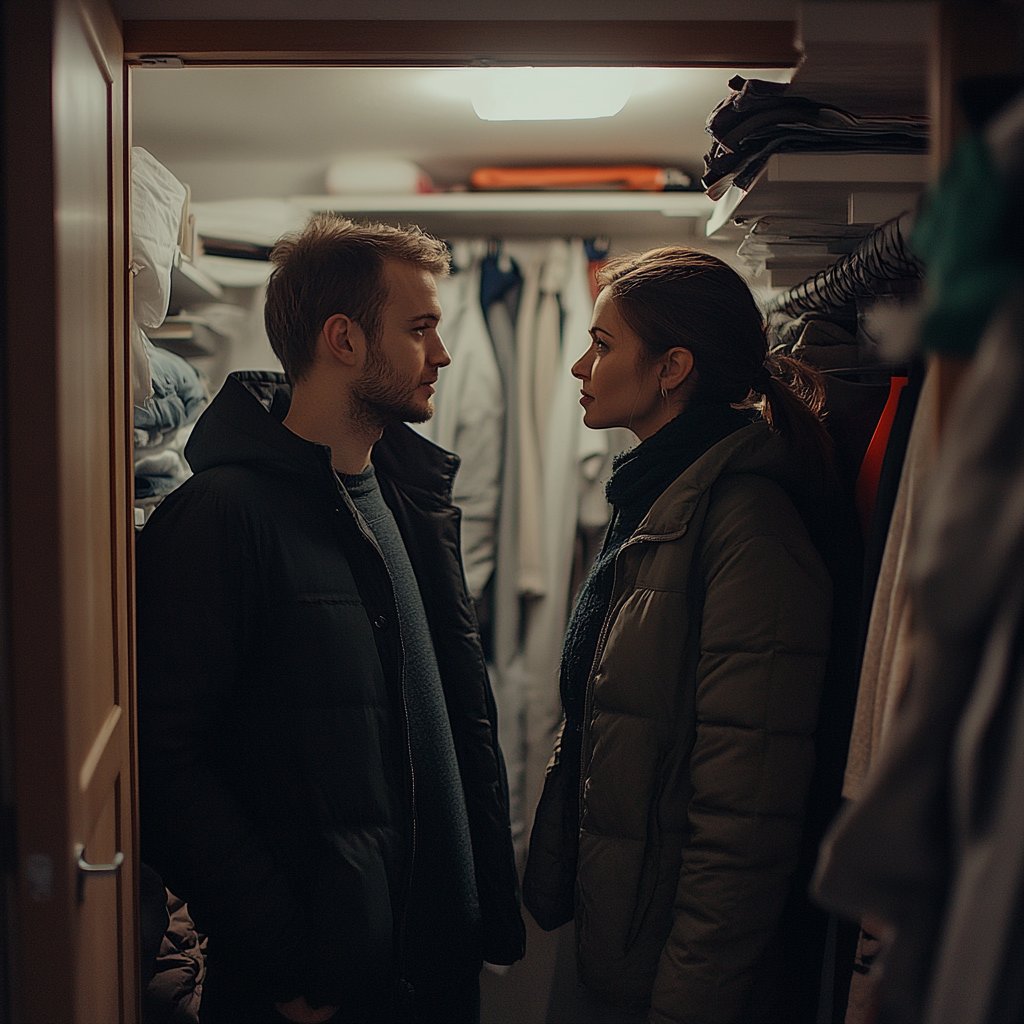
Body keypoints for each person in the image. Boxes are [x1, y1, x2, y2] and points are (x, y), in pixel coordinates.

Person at [136, 214, 525, 1024]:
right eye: (420, 329)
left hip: (433, 970)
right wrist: (283, 959)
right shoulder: (221, 515)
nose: (443, 354)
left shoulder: (412, 495)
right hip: (320, 989)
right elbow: (164, 762)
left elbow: (450, 718)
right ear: (343, 339)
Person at [523, 247, 834, 1024]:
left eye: (601, 344)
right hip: (624, 934)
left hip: (674, 971)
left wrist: (690, 1001)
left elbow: (745, 814)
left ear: (672, 367)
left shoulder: (748, 528)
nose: (579, 366)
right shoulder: (656, 498)